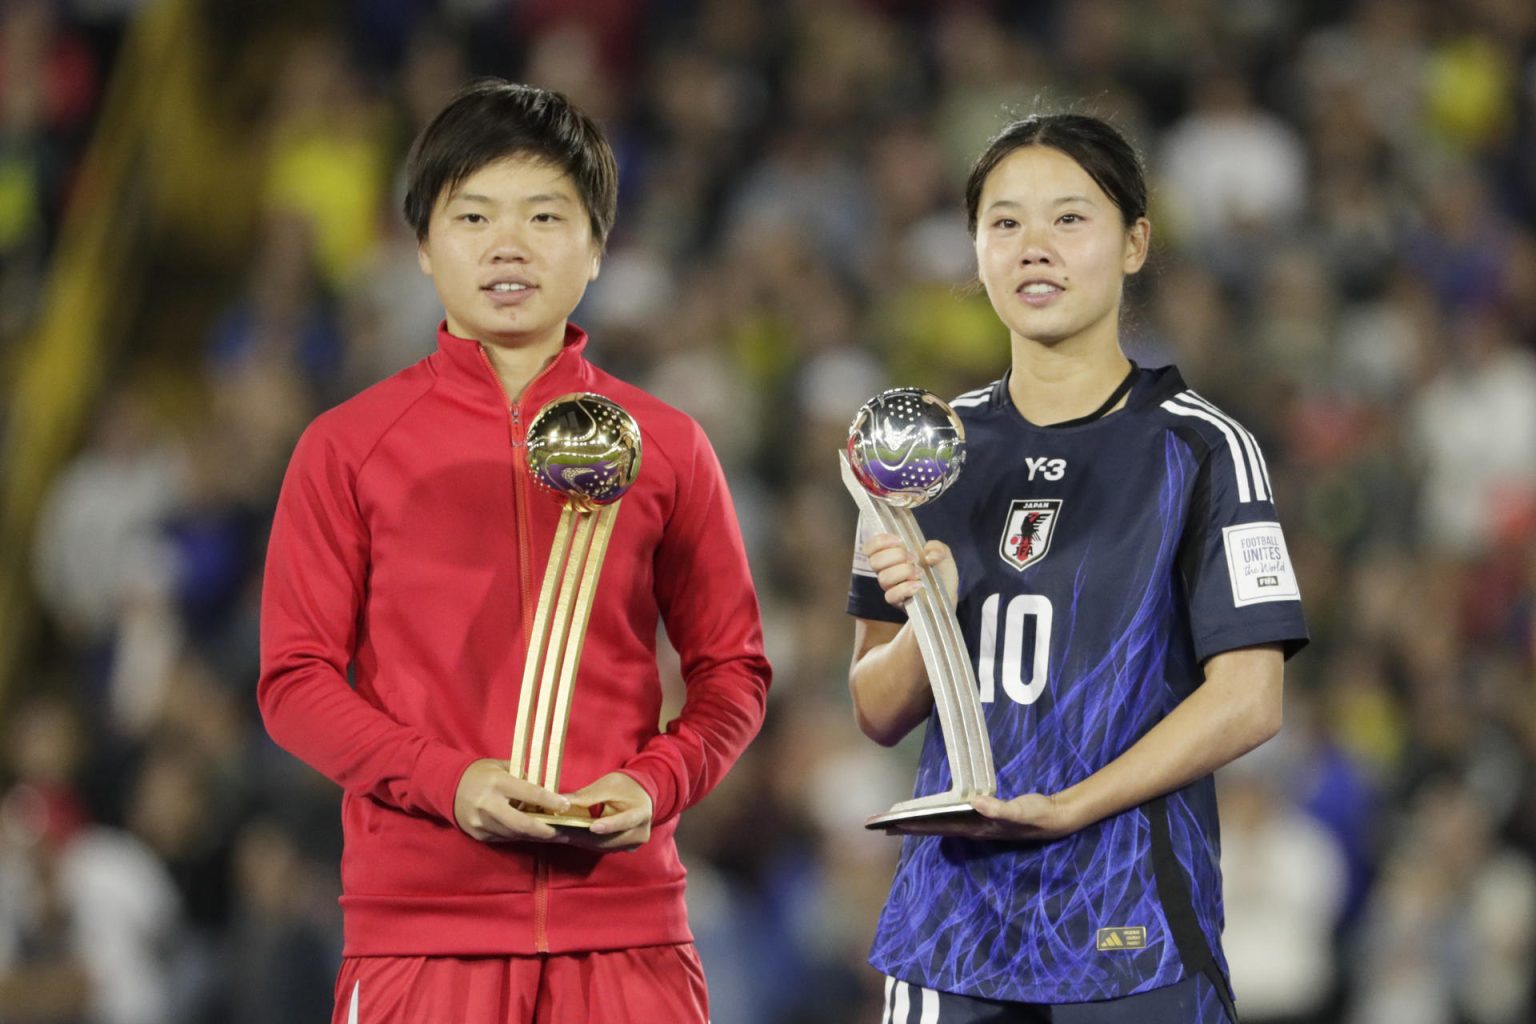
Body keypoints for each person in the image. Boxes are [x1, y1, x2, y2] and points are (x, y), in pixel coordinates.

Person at [258, 79, 771, 1024]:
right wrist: (448, 782)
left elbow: (732, 672)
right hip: (422, 934)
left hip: (627, 933)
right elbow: (294, 682)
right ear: (421, 244)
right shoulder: (347, 446)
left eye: (545, 214)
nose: (509, 244)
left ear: (597, 246)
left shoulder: (666, 444)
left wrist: (652, 786)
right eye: (473, 214)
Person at [846, 113, 1308, 1023]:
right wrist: (933, 618)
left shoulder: (1204, 449)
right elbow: (876, 708)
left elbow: (1250, 697)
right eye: (1006, 223)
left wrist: (1070, 806)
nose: (1035, 250)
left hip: (1132, 917)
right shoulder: (922, 452)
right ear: (975, 251)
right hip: (954, 925)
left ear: (1135, 242)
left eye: (1070, 219)